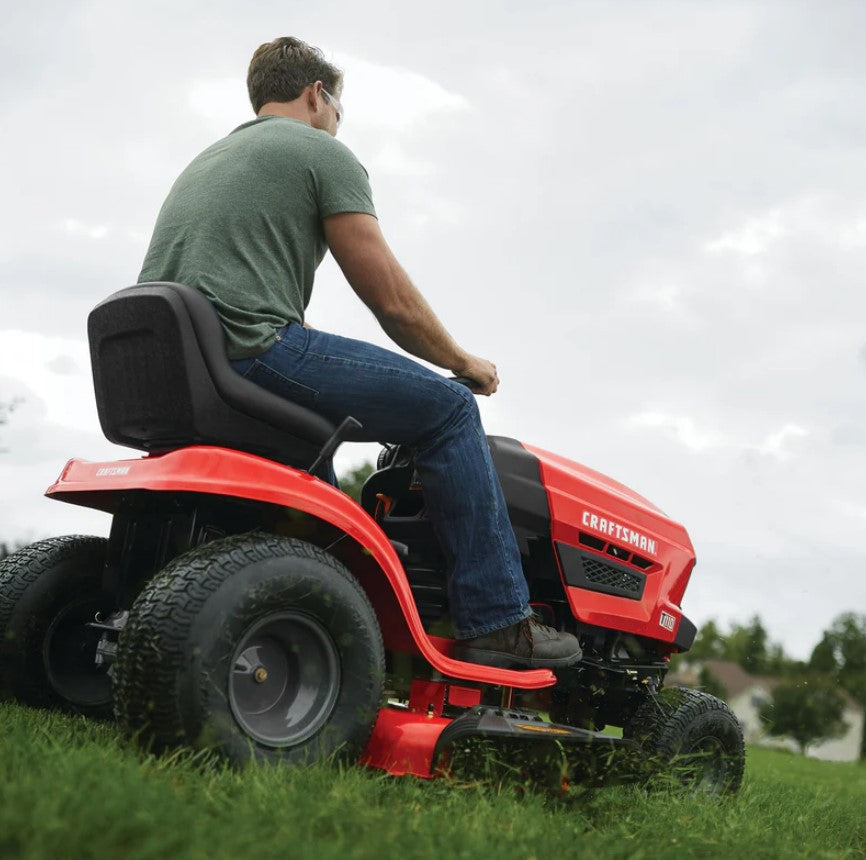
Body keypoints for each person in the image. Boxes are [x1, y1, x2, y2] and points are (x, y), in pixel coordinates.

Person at [138, 36, 581, 669]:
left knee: (325, 481)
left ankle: (339, 606)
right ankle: (499, 620)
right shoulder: (319, 150)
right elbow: (390, 299)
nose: (338, 125)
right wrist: (463, 363)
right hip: (252, 346)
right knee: (450, 410)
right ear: (317, 97)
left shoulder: (210, 157)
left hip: (178, 365)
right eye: (340, 111)